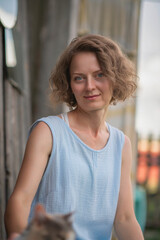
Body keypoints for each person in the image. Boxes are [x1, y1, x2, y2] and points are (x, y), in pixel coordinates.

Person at [4, 34, 144, 240]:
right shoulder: (48, 131)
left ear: (116, 77)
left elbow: (124, 218)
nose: (89, 86)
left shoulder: (121, 144)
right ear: (69, 84)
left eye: (99, 75)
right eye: (79, 78)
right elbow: (21, 200)